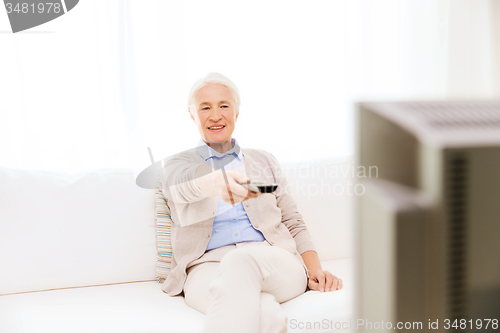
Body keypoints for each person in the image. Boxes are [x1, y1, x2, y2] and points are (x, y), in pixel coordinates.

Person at [160, 72, 343, 333]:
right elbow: (181, 189)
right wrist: (215, 183)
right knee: (265, 312)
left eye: (224, 105)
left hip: (273, 260)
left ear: (236, 112)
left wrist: (315, 270)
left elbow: (293, 221)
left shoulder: (264, 160)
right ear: (192, 114)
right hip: (207, 268)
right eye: (205, 107)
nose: (215, 115)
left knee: (239, 261)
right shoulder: (177, 165)